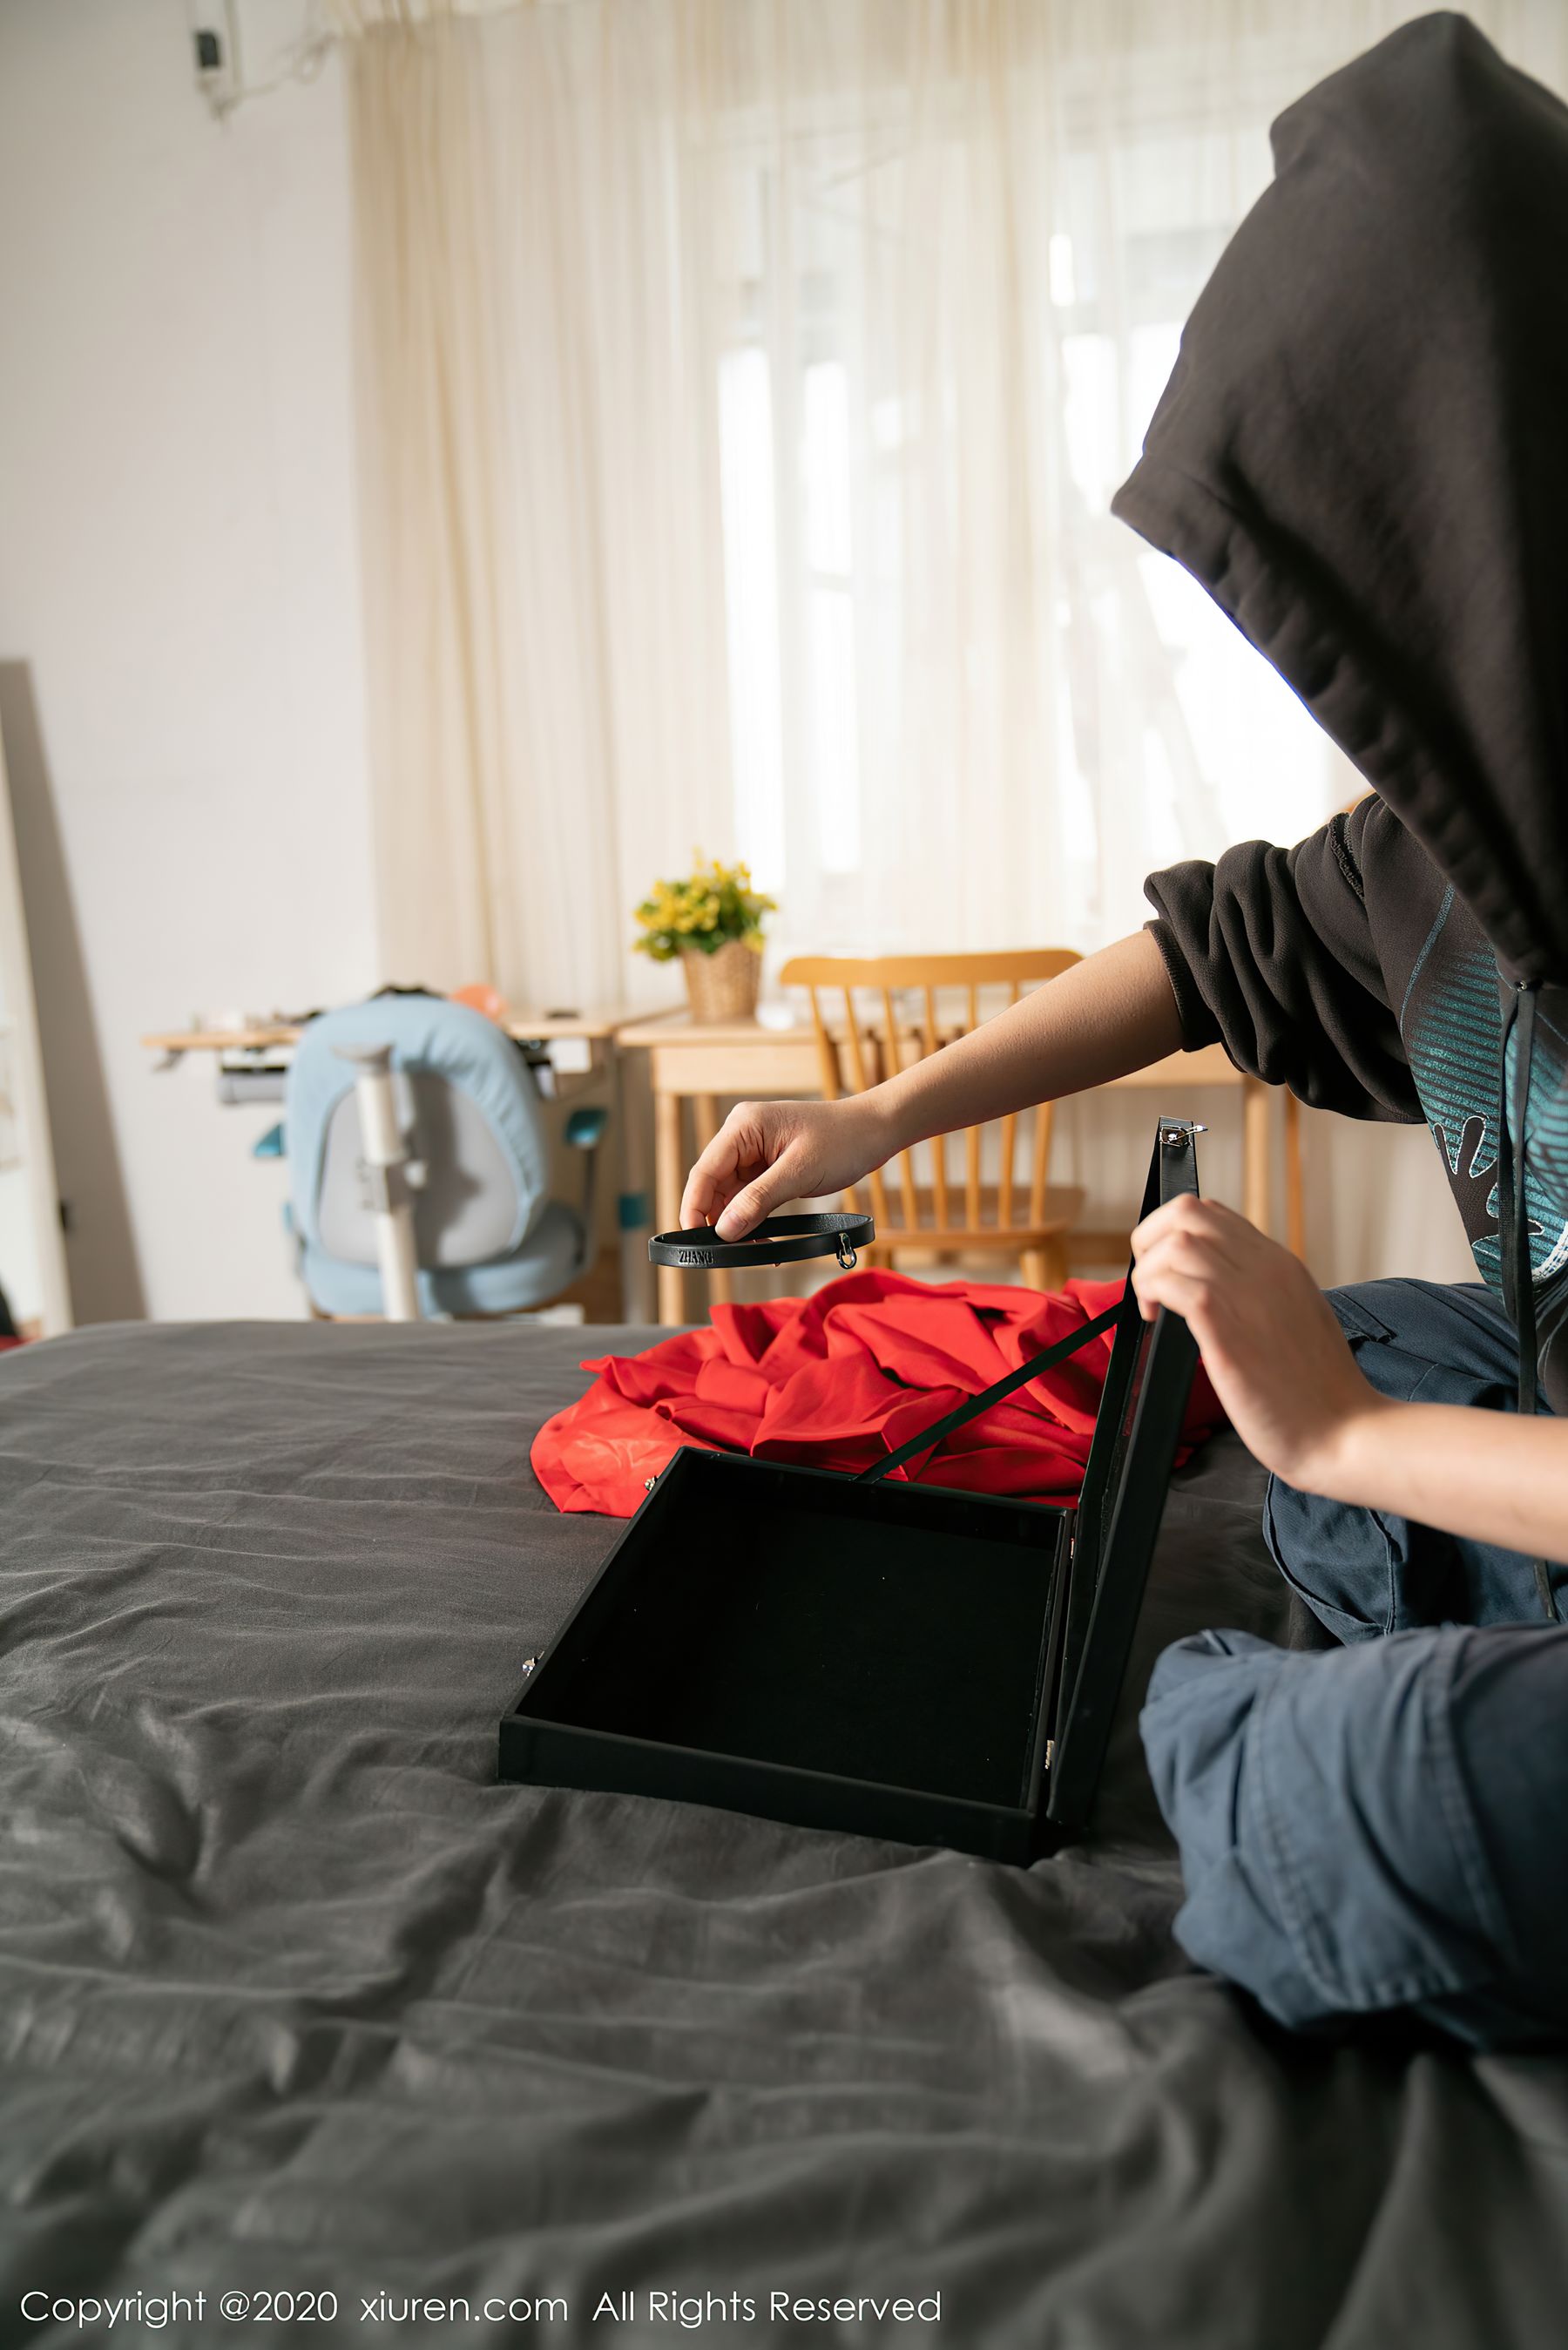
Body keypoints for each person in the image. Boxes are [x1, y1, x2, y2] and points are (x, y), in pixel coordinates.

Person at [679, 14, 1568, 2049]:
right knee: (1355, 1327)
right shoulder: (1442, 840)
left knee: (1374, 1781)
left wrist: (1340, 1438)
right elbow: (1209, 950)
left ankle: (1308, 1711)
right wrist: (882, 1115)